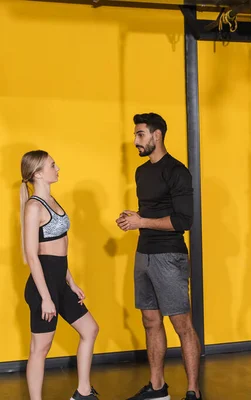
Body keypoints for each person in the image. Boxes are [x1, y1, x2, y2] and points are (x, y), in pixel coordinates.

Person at [116, 113, 202, 400]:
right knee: (150, 321)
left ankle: (193, 391)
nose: (135, 140)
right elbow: (148, 214)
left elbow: (183, 221)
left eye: (140, 134)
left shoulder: (177, 171)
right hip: (144, 254)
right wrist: (133, 219)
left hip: (170, 257)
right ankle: (157, 388)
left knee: (182, 326)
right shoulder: (141, 172)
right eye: (136, 134)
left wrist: (141, 222)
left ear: (157, 136)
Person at [20, 150, 100, 400]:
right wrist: (46, 297)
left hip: (60, 282)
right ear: (39, 173)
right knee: (40, 349)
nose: (58, 168)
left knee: (90, 329)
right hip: (43, 287)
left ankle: (83, 391)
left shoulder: (53, 201)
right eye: (53, 165)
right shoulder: (34, 207)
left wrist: (72, 283)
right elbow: (33, 256)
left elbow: (59, 251)